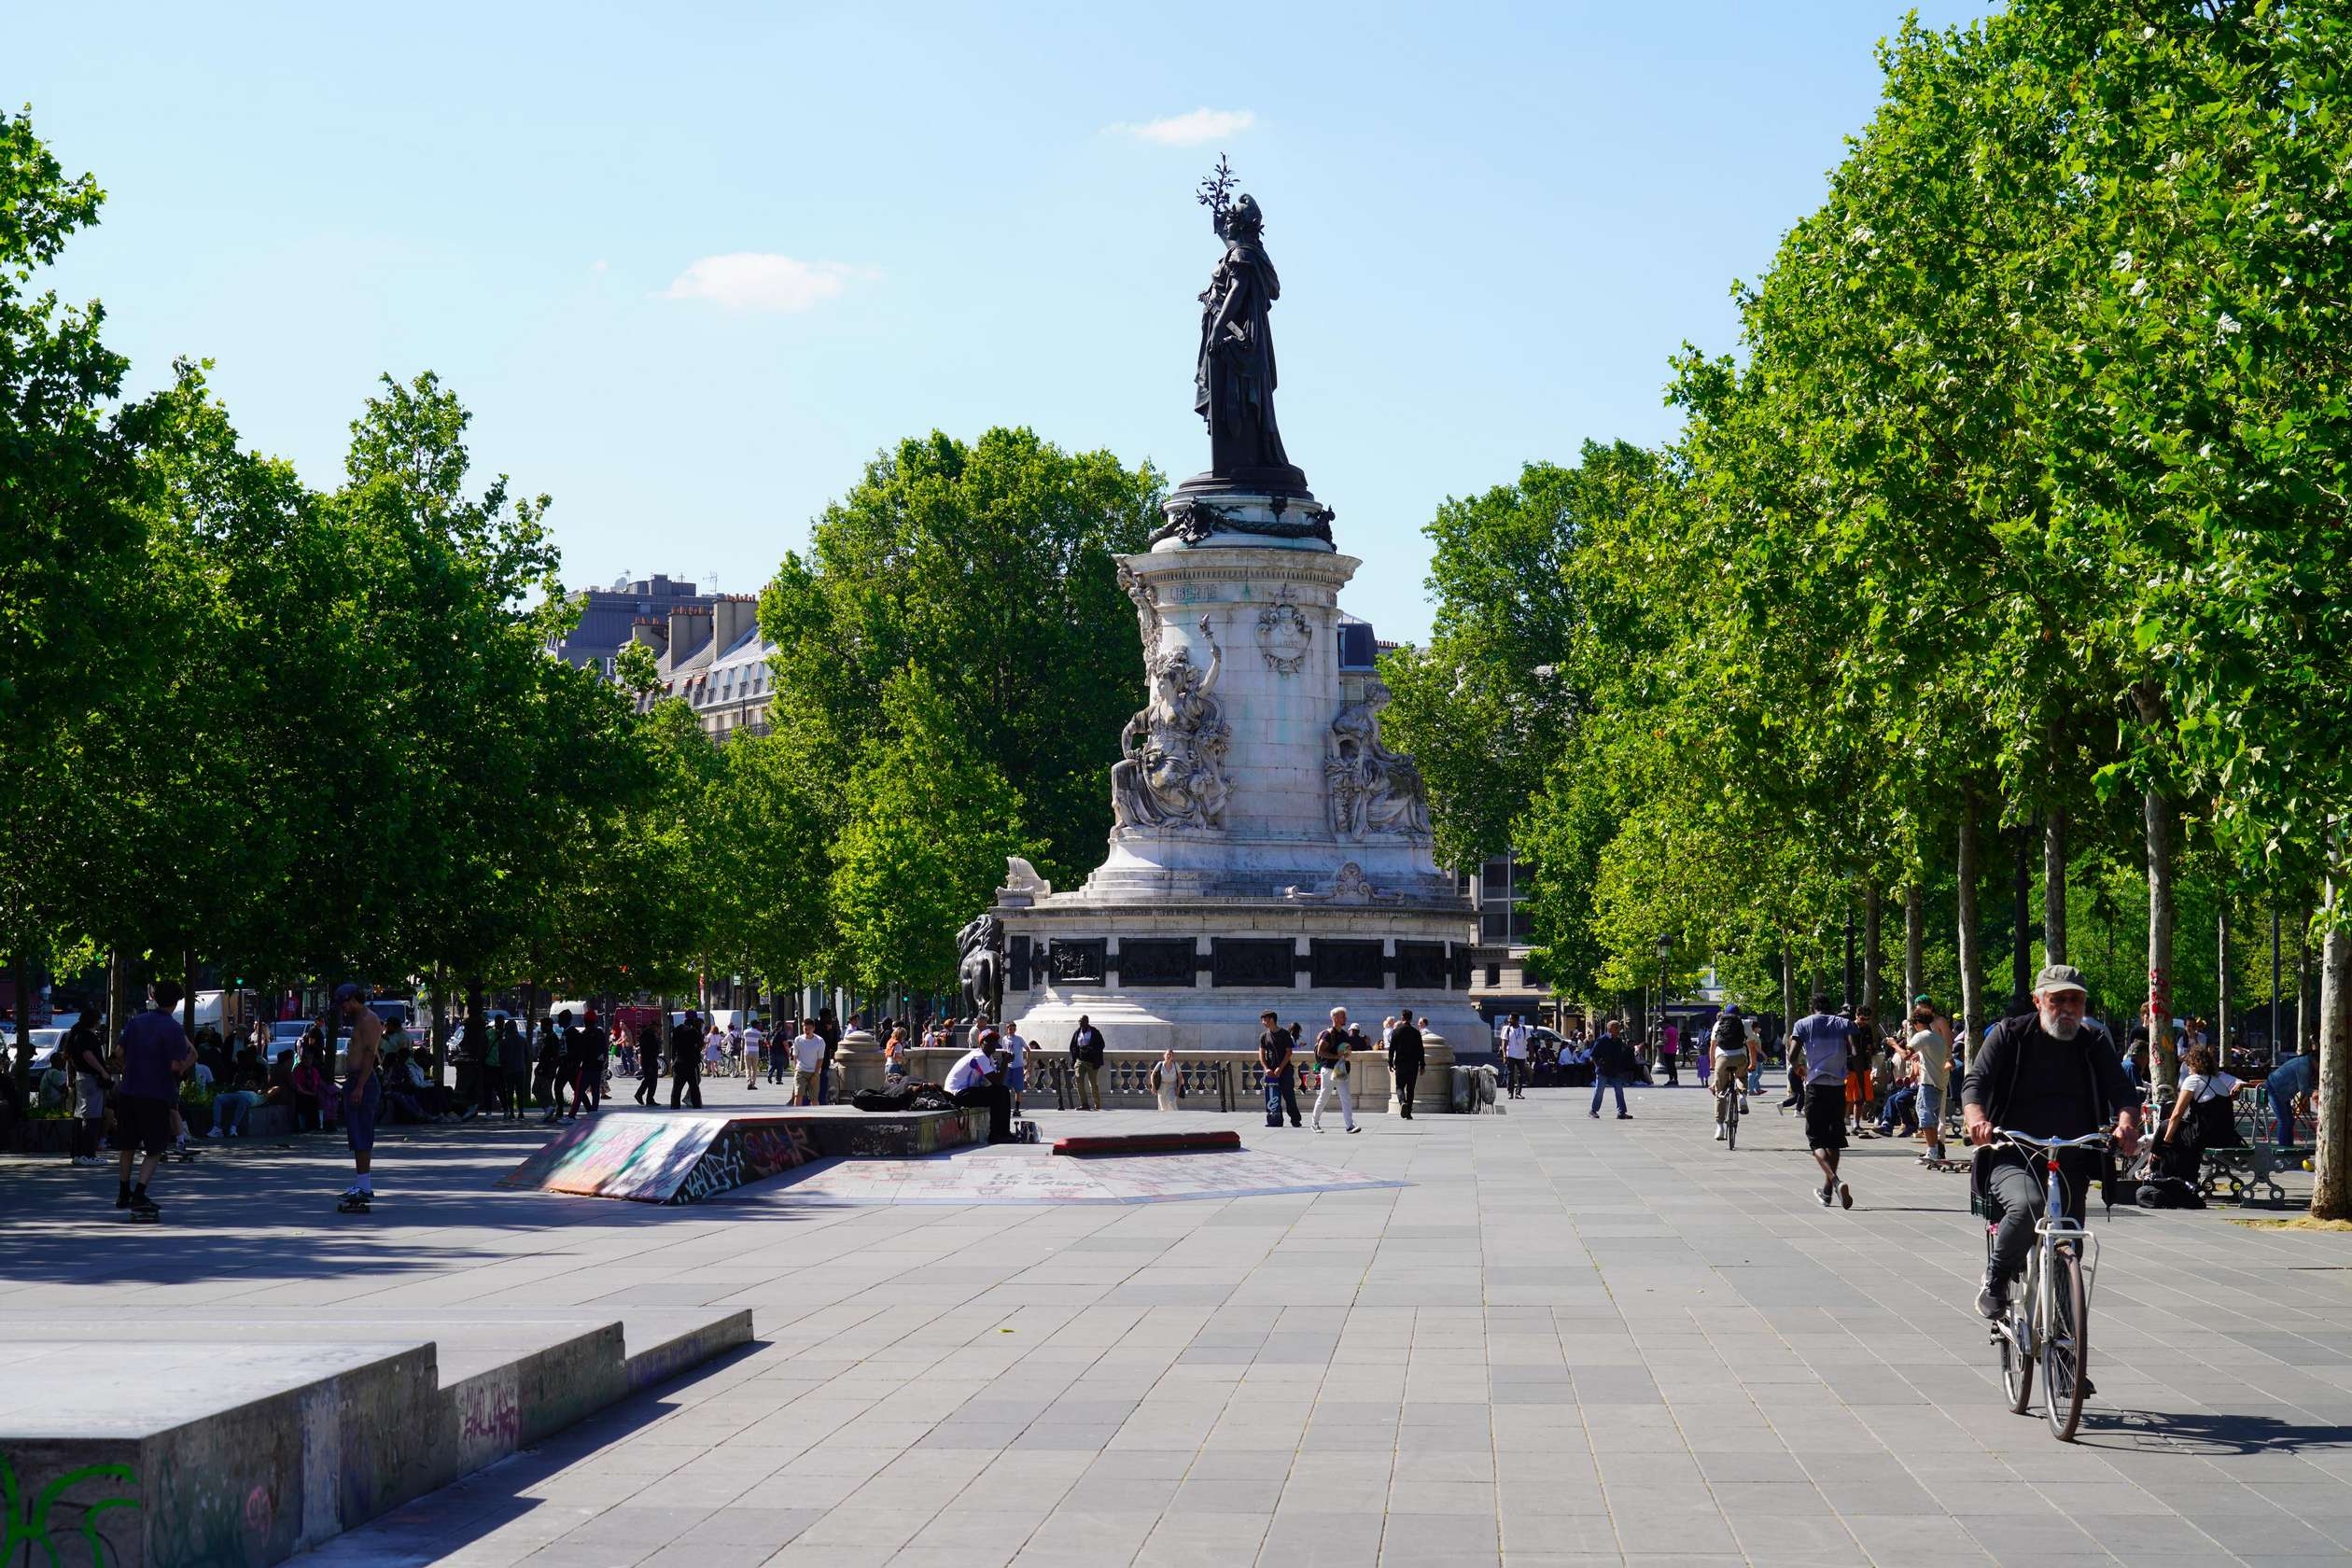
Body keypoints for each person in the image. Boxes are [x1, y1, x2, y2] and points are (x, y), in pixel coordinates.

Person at [1965, 964, 2141, 1323]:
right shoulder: (2010, 1035)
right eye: (2058, 999)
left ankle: (2067, 1360)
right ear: (2038, 1000)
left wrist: (2126, 1124)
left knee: (2068, 1247)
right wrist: (1976, 1121)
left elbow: (2123, 1092)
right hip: (2013, 1154)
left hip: (2073, 1156)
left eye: (2075, 1000)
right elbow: (1976, 1083)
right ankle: (1995, 1279)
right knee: (2030, 1204)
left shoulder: (2093, 1042)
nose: (2067, 1008)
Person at [116, 984, 195, 1217]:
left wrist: (128, 1070)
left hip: (129, 1091)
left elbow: (118, 1054)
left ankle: (123, 1192)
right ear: (176, 1002)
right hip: (156, 1094)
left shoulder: (136, 1022)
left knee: (128, 1145)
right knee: (154, 1148)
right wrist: (189, 1062)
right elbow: (175, 1065)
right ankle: (139, 1194)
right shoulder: (173, 1028)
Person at [1790, 996, 1855, 1209]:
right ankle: (1827, 1192)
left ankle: (1835, 1182)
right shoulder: (1844, 1023)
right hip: (1838, 1087)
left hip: (1815, 1087)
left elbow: (1792, 1055)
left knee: (1816, 1141)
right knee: (1834, 1141)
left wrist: (1801, 1069)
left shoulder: (1803, 1024)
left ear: (1812, 1008)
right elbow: (1855, 1052)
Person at [2156, 1043, 2248, 1178]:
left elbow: (2176, 1114)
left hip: (2205, 1136)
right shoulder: (2218, 1081)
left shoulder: (2193, 1080)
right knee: (2178, 1133)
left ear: (2193, 1064)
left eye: (2188, 1064)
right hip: (2226, 1136)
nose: (2187, 1068)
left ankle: (2157, 1167)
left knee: (2166, 1126)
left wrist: (2166, 1142)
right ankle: (2166, 1166)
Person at [336, 983, 384, 1207]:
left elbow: (369, 1054)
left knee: (362, 1133)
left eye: (344, 1003)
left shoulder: (368, 1019)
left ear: (353, 999)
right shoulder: (360, 1019)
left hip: (362, 1081)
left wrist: (360, 1086)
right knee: (356, 1134)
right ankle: (361, 1183)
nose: (343, 1008)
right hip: (356, 1080)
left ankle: (364, 1186)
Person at [945, 1029, 1014, 1142]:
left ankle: (1004, 1132)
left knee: (1002, 1091)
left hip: (966, 1092)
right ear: (981, 1043)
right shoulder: (979, 1056)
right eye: (988, 1041)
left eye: (994, 1041)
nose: (992, 1044)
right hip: (957, 1094)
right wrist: (1005, 1062)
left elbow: (995, 1081)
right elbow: (997, 1081)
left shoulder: (988, 1058)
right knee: (999, 1093)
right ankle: (996, 1134)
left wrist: (1004, 1063)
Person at [65, 1013, 113, 1167]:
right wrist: (102, 1071)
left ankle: (78, 1153)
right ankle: (88, 1154)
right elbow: (88, 1055)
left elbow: (72, 1059)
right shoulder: (87, 1037)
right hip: (91, 1078)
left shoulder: (76, 1036)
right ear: (95, 1021)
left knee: (80, 1115)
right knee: (93, 1116)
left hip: (81, 1077)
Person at [1908, 1003, 1953, 1162]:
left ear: (1917, 1023)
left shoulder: (1921, 1036)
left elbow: (1906, 1054)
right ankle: (1933, 1149)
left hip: (1928, 1082)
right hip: (1939, 1082)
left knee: (1925, 1116)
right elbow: (1948, 1059)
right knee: (1931, 1118)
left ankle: (1932, 1151)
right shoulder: (1938, 1038)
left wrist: (1893, 1044)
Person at [1312, 1008, 1362, 1133]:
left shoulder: (1345, 1034)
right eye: (1342, 1016)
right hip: (1328, 1069)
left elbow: (1345, 1050)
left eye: (1345, 1016)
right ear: (1335, 1018)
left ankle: (1349, 1125)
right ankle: (1314, 1123)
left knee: (1346, 1097)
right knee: (1324, 1096)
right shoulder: (1328, 1034)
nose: (1345, 1019)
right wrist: (1336, 1056)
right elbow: (1320, 1052)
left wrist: (1345, 1054)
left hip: (1340, 1069)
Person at [1708, 1007, 1749, 1141]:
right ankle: (1742, 1095)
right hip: (1740, 1056)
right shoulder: (1744, 1023)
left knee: (1720, 1092)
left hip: (1722, 1058)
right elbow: (1752, 1046)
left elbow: (1713, 1046)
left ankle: (1720, 1127)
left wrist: (1713, 1066)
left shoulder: (1718, 1023)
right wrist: (1752, 1063)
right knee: (1742, 1075)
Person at [2265, 1045, 2317, 1150]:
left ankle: (2289, 1149)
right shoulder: (2304, 1065)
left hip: (2282, 1092)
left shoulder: (2307, 1063)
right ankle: (2284, 1150)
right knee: (2284, 1121)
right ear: (2316, 1060)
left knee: (2289, 1121)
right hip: (2274, 1089)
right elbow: (2305, 1089)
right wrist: (2317, 1092)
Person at [1258, 1009, 1300, 1127]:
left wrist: (1280, 1068)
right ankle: (1275, 1120)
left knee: (1289, 1096)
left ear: (1271, 1019)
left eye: (1264, 1019)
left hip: (1285, 1070)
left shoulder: (1285, 1034)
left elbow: (1289, 1053)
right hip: (1270, 1071)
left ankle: (1295, 1120)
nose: (1263, 1022)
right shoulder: (1264, 1036)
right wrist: (1266, 1068)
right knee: (1272, 1096)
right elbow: (1261, 1054)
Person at [1589, 1018, 1635, 1119]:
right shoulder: (1602, 1040)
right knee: (1599, 1091)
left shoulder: (1619, 1041)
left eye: (1619, 1028)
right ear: (1609, 1029)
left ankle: (1621, 1112)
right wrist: (1598, 1066)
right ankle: (1593, 1110)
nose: (1619, 1030)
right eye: (1616, 1028)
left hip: (1615, 1071)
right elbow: (1593, 1055)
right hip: (1603, 1070)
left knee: (1619, 1091)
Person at [1390, 1008, 1425, 1119]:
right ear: (1411, 1018)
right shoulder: (1416, 1032)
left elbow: (1392, 1048)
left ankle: (1402, 1102)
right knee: (1410, 1088)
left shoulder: (1397, 1031)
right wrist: (1422, 1064)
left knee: (1399, 1086)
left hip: (1400, 1063)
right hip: (1413, 1064)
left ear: (1402, 1018)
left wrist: (1390, 1062)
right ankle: (1409, 1113)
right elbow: (1421, 1049)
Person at [668, 1011, 705, 1109]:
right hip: (690, 1062)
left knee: (676, 1088)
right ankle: (697, 1105)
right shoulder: (693, 1032)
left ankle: (674, 1106)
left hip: (679, 1061)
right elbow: (700, 1044)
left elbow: (673, 1047)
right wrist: (698, 1029)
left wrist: (672, 1060)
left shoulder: (677, 1030)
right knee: (694, 1087)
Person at [1069, 1015, 1105, 1111]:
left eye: (1082, 1021)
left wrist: (1091, 1049)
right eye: (1079, 1021)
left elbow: (1101, 1044)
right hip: (1080, 1060)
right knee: (1078, 1081)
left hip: (1092, 1062)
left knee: (1093, 1084)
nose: (1080, 1023)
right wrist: (1073, 1059)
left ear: (1087, 1022)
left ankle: (1097, 1105)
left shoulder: (1094, 1032)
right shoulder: (1077, 1032)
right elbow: (1073, 1046)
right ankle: (1084, 1104)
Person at [791, 1019, 826, 1106]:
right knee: (798, 1095)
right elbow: (795, 1055)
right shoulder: (798, 1040)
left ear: (813, 1028)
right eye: (805, 1029)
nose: (807, 1031)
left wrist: (816, 1074)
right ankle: (797, 1115)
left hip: (814, 1071)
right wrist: (796, 1069)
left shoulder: (820, 1041)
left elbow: (820, 1059)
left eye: (809, 1028)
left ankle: (815, 1117)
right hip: (801, 1071)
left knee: (814, 1098)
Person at [1001, 1021, 1029, 1113]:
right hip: (1008, 1066)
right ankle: (1006, 1106)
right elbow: (1004, 1051)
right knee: (1006, 1089)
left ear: (1015, 1029)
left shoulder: (1019, 1039)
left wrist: (1027, 1064)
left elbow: (1028, 1050)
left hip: (1017, 1066)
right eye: (1010, 1029)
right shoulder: (1005, 1039)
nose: (1012, 1031)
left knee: (1018, 1089)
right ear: (1007, 1029)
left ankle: (1017, 1108)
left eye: (1013, 1029)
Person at [1502, 1013, 1531, 1099]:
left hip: (1521, 1055)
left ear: (1516, 1020)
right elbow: (1504, 1044)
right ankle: (1510, 1092)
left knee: (1521, 1075)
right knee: (1510, 1074)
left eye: (1511, 1019)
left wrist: (1532, 1054)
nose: (1509, 1021)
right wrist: (1504, 1056)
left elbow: (1530, 1042)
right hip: (1510, 1055)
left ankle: (1518, 1093)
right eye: (1509, 1019)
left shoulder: (1524, 1029)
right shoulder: (1506, 1029)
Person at [634, 1019, 663, 1106]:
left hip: (649, 1059)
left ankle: (644, 1096)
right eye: (657, 1027)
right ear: (653, 1026)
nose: (658, 1029)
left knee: (649, 1079)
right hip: (649, 1060)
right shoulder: (648, 1035)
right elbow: (649, 1048)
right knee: (651, 1080)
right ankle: (645, 1097)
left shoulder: (649, 1034)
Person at [1152, 1045, 1183, 1112]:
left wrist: (1178, 1088)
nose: (1169, 1056)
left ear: (1172, 1057)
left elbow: (1180, 1077)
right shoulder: (1160, 1064)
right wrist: (1153, 1085)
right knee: (1163, 1107)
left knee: (1172, 1103)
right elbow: (1152, 1075)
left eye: (1170, 1055)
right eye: (1167, 1054)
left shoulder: (1175, 1064)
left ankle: (1177, 1117)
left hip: (1172, 1086)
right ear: (1164, 1055)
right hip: (1161, 1087)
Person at [742, 1016, 765, 1091]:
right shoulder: (758, 1033)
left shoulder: (745, 1031)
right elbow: (761, 1042)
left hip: (747, 1051)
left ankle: (749, 1081)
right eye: (758, 1025)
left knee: (748, 1068)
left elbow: (743, 1040)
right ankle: (753, 1083)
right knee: (754, 1069)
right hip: (755, 1052)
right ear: (756, 1025)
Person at [1659, 1017, 1681, 1087]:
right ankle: (1675, 1079)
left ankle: (1671, 1079)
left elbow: (1665, 1041)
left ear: (1666, 1023)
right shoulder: (1675, 1029)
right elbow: (1677, 1039)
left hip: (1668, 1049)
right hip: (1673, 1049)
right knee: (1673, 1065)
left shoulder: (1667, 1031)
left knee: (1669, 1065)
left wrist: (1661, 1038)